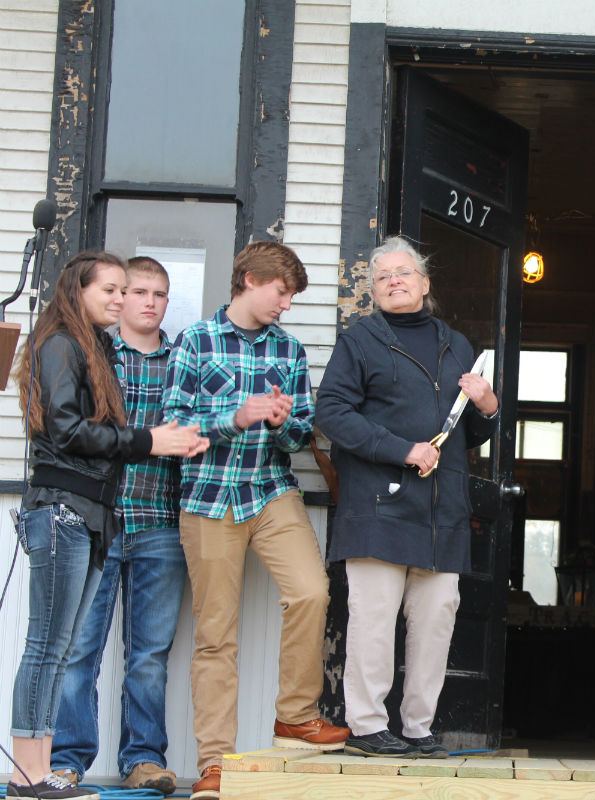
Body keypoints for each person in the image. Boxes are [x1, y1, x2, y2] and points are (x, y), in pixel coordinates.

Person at [7, 252, 206, 800]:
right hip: (64, 510)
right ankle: (31, 774)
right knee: (51, 648)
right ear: (78, 289)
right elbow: (69, 432)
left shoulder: (84, 346)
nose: (121, 300)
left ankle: (39, 773)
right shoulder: (61, 344)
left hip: (91, 512)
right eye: (111, 290)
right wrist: (149, 440)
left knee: (58, 645)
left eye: (127, 291)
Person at [163, 241, 348, 800]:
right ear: (248, 279)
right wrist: (236, 417)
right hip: (209, 498)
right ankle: (215, 765)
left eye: (291, 296)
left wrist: (287, 422)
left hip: (270, 491)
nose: (287, 305)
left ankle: (295, 715)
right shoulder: (195, 341)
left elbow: (300, 436)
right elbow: (174, 429)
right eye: (281, 292)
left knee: (313, 592)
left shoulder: (288, 349)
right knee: (216, 636)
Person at [316, 236, 498, 758]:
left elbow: (465, 433)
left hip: (443, 511)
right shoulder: (359, 340)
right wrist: (401, 450)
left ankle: (419, 728)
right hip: (377, 505)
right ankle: (369, 726)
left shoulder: (457, 344)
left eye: (403, 273)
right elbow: (330, 412)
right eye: (383, 277)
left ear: (424, 283)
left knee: (437, 620)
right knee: (373, 620)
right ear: (373, 290)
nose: (394, 281)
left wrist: (488, 407)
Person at [50, 257, 187, 794]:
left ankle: (143, 760)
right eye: (137, 292)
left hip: (161, 521)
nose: (149, 302)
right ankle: (66, 760)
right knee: (79, 648)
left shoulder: (181, 360)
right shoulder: (96, 356)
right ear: (119, 299)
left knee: (149, 655)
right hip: (97, 521)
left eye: (159, 294)